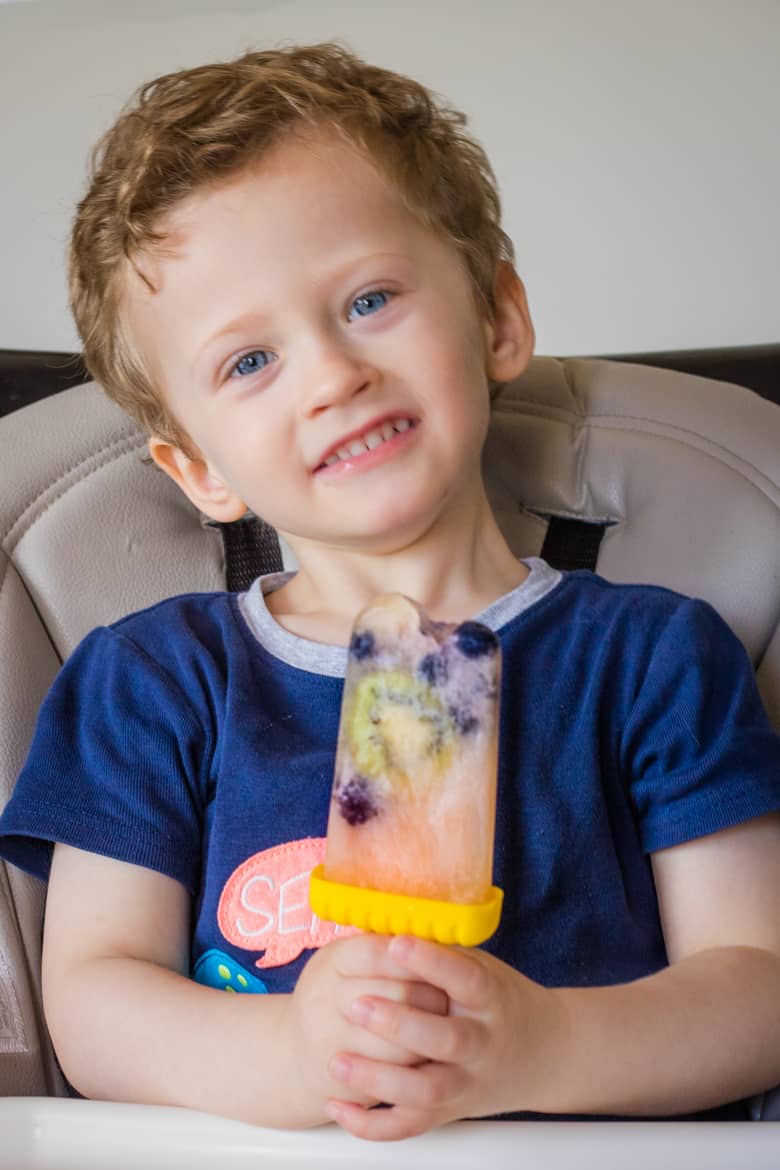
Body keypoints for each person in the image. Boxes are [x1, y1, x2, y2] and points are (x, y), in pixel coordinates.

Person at [1, 42, 779, 1142]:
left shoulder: (656, 660)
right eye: (249, 362)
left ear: (498, 318)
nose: (330, 373)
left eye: (368, 298)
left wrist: (539, 1047)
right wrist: (296, 1055)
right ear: (198, 471)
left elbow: (757, 987)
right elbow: (91, 998)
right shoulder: (149, 682)